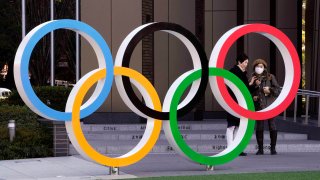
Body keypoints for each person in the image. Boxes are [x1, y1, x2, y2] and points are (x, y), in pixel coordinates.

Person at [226, 53, 257, 156]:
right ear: (239, 62)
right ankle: (230, 149)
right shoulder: (234, 71)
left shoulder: (243, 72)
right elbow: (235, 88)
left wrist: (252, 83)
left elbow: (245, 90)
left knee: (238, 126)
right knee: (231, 126)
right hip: (233, 102)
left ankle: (236, 149)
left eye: (247, 62)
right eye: (245, 62)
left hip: (241, 103)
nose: (246, 64)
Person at [250, 59, 280, 155]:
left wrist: (269, 90)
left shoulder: (270, 77)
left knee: (272, 126)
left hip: (270, 105)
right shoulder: (252, 78)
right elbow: (248, 91)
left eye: (261, 66)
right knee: (259, 127)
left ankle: (273, 148)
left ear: (264, 67)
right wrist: (253, 96)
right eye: (257, 66)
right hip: (259, 106)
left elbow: (277, 91)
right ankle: (260, 149)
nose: (259, 68)